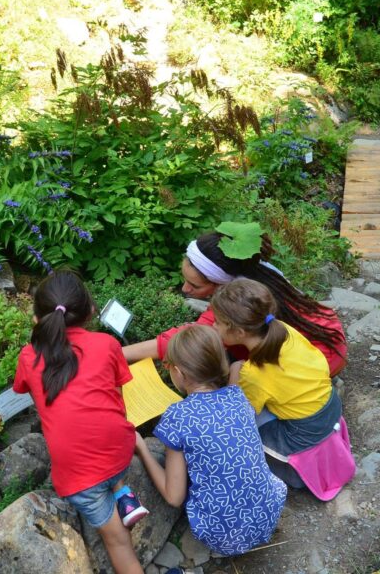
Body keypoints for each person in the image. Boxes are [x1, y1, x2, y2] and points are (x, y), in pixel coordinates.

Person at [13, 271, 147, 574]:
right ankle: (122, 491)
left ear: (38, 318)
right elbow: (116, 398)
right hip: (121, 450)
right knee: (109, 439)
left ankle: (117, 496)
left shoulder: (28, 356)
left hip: (80, 478)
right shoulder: (107, 344)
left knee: (118, 543)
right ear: (90, 312)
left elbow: (22, 388)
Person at [133, 325, 286, 559]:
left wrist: (142, 448)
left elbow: (174, 497)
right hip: (269, 513)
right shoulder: (237, 396)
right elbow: (237, 369)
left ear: (179, 373)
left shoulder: (179, 416)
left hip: (222, 536)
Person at [122, 231, 347, 375]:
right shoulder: (257, 277)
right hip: (326, 337)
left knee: (232, 367)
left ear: (222, 284)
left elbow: (191, 337)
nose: (184, 289)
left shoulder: (238, 302)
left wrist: (119, 353)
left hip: (321, 361)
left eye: (195, 286)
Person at [209, 279, 343, 488]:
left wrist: (234, 375)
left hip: (303, 432)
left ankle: (290, 472)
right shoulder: (284, 330)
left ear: (239, 332)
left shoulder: (254, 374)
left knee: (240, 441)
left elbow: (238, 419)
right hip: (330, 406)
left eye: (217, 322)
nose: (213, 325)